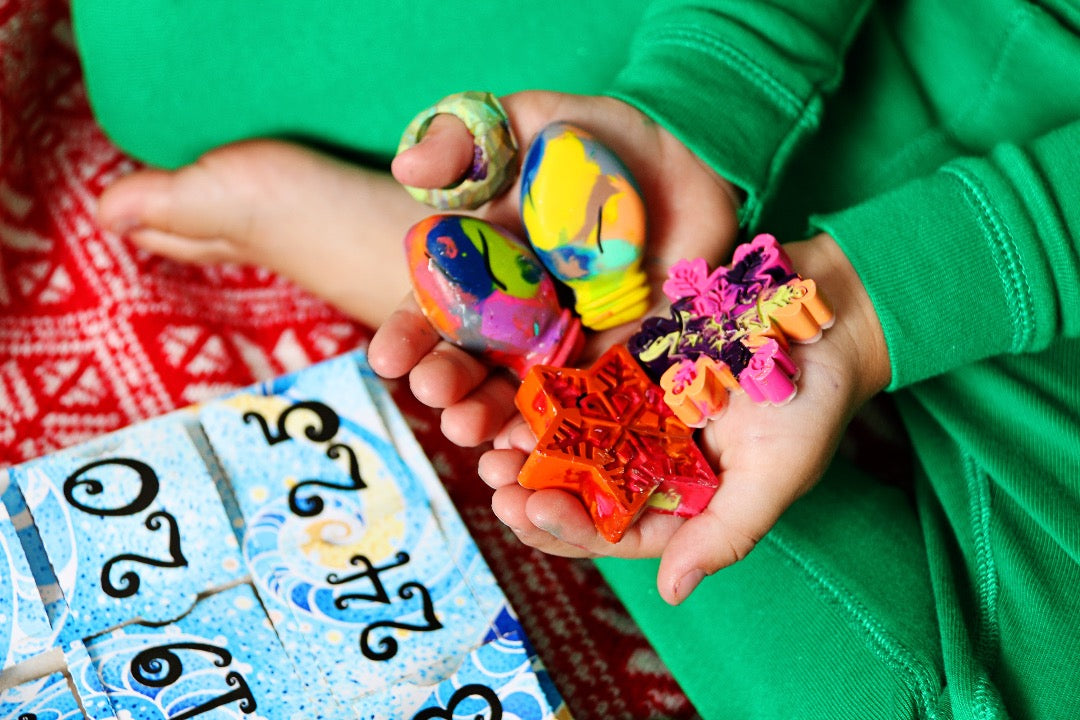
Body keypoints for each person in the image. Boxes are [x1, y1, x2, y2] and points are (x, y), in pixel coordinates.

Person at [88, 1, 1080, 717]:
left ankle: (454, 289)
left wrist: (868, 308)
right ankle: (523, 296)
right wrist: (706, 91)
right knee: (150, 52)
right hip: (896, 40)